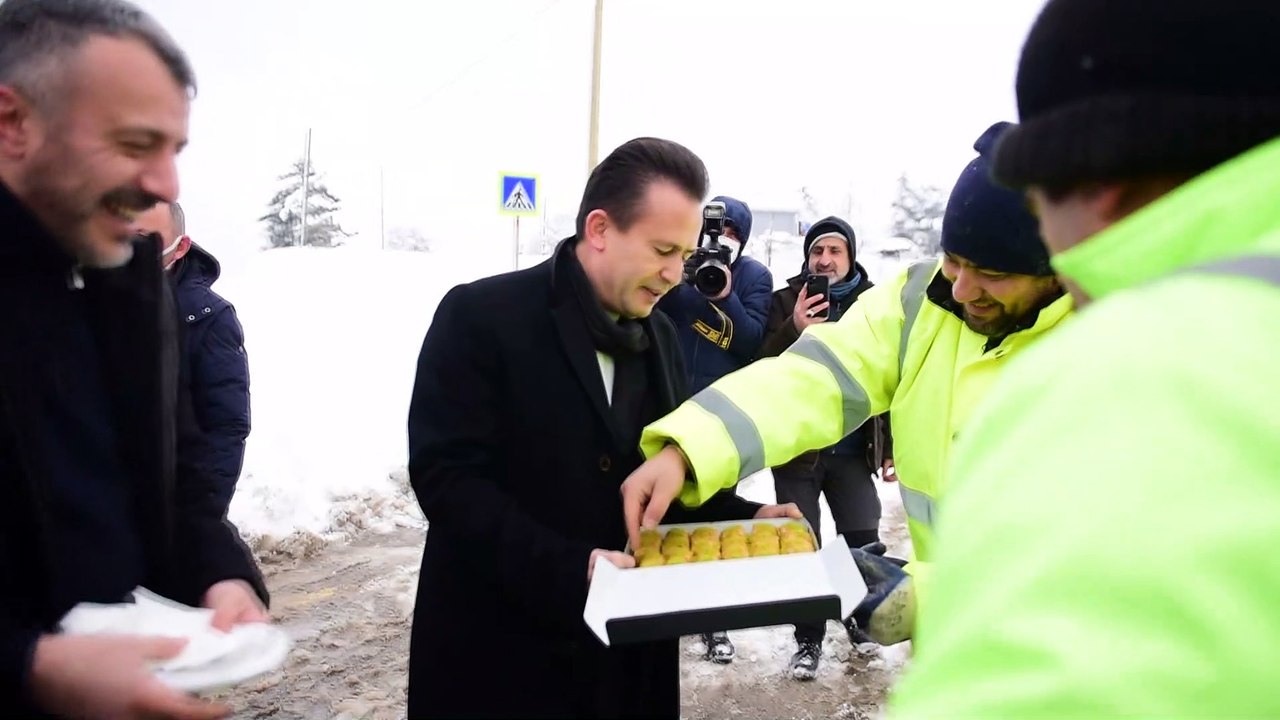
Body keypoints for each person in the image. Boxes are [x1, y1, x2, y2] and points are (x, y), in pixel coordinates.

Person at [887, 0, 1280, 715]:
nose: (964, 287)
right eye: (953, 262)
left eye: (1038, 212)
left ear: (1097, 184)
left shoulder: (1135, 374)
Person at [620, 122, 1074, 648]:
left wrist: (932, 594)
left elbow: (1104, 566)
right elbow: (812, 377)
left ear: (1058, 262)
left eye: (992, 272)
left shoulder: (1118, 343)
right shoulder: (922, 302)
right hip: (952, 671)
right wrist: (688, 449)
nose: (963, 287)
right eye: (953, 259)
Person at [405, 137, 800, 719]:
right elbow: (448, 483)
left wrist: (746, 518)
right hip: (503, 663)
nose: (675, 274)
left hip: (625, 668)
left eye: (685, 254)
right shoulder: (483, 317)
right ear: (599, 228)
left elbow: (658, 487)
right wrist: (572, 568)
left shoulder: (660, 336)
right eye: (663, 249)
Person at [0, 0, 269, 717]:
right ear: (13, 121)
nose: (166, 187)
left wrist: (220, 574)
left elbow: (171, 476)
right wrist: (29, 666)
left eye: (173, 151)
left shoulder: (128, 289)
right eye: (133, 144)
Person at [758, 216, 891, 679]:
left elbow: (890, 371)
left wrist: (889, 445)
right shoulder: (783, 302)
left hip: (854, 450)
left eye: (836, 251)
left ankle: (859, 617)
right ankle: (808, 640)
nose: (826, 260)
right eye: (818, 251)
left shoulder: (874, 305)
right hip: (800, 451)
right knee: (802, 545)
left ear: (851, 256)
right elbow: (761, 370)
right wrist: (794, 326)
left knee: (863, 539)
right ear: (807, 257)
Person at [655, 194, 772, 663]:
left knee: (713, 518)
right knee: (663, 512)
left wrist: (722, 295)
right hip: (665, 406)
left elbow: (749, 343)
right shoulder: (680, 266)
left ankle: (713, 621)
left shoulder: (754, 278)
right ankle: (662, 601)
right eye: (712, 233)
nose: (718, 243)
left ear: (741, 241)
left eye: (729, 236)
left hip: (720, 416)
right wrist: (683, 284)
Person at [134, 200, 250, 516]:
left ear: (180, 246)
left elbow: (225, 428)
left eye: (144, 238)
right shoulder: (91, 302)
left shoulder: (207, 318)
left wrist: (201, 518)